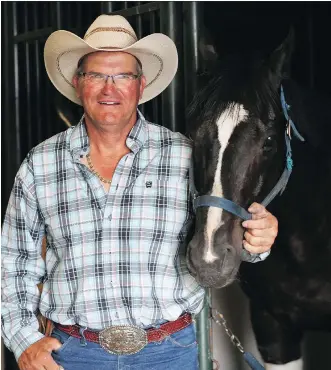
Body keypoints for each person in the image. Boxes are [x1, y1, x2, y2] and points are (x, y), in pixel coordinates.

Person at [1, 15, 278, 370]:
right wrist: (25, 341)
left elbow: (225, 230)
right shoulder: (40, 164)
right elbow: (13, 264)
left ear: (141, 84)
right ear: (77, 82)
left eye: (123, 76)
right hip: (72, 355)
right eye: (97, 75)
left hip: (169, 353)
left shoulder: (187, 156)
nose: (109, 88)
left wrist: (259, 239)